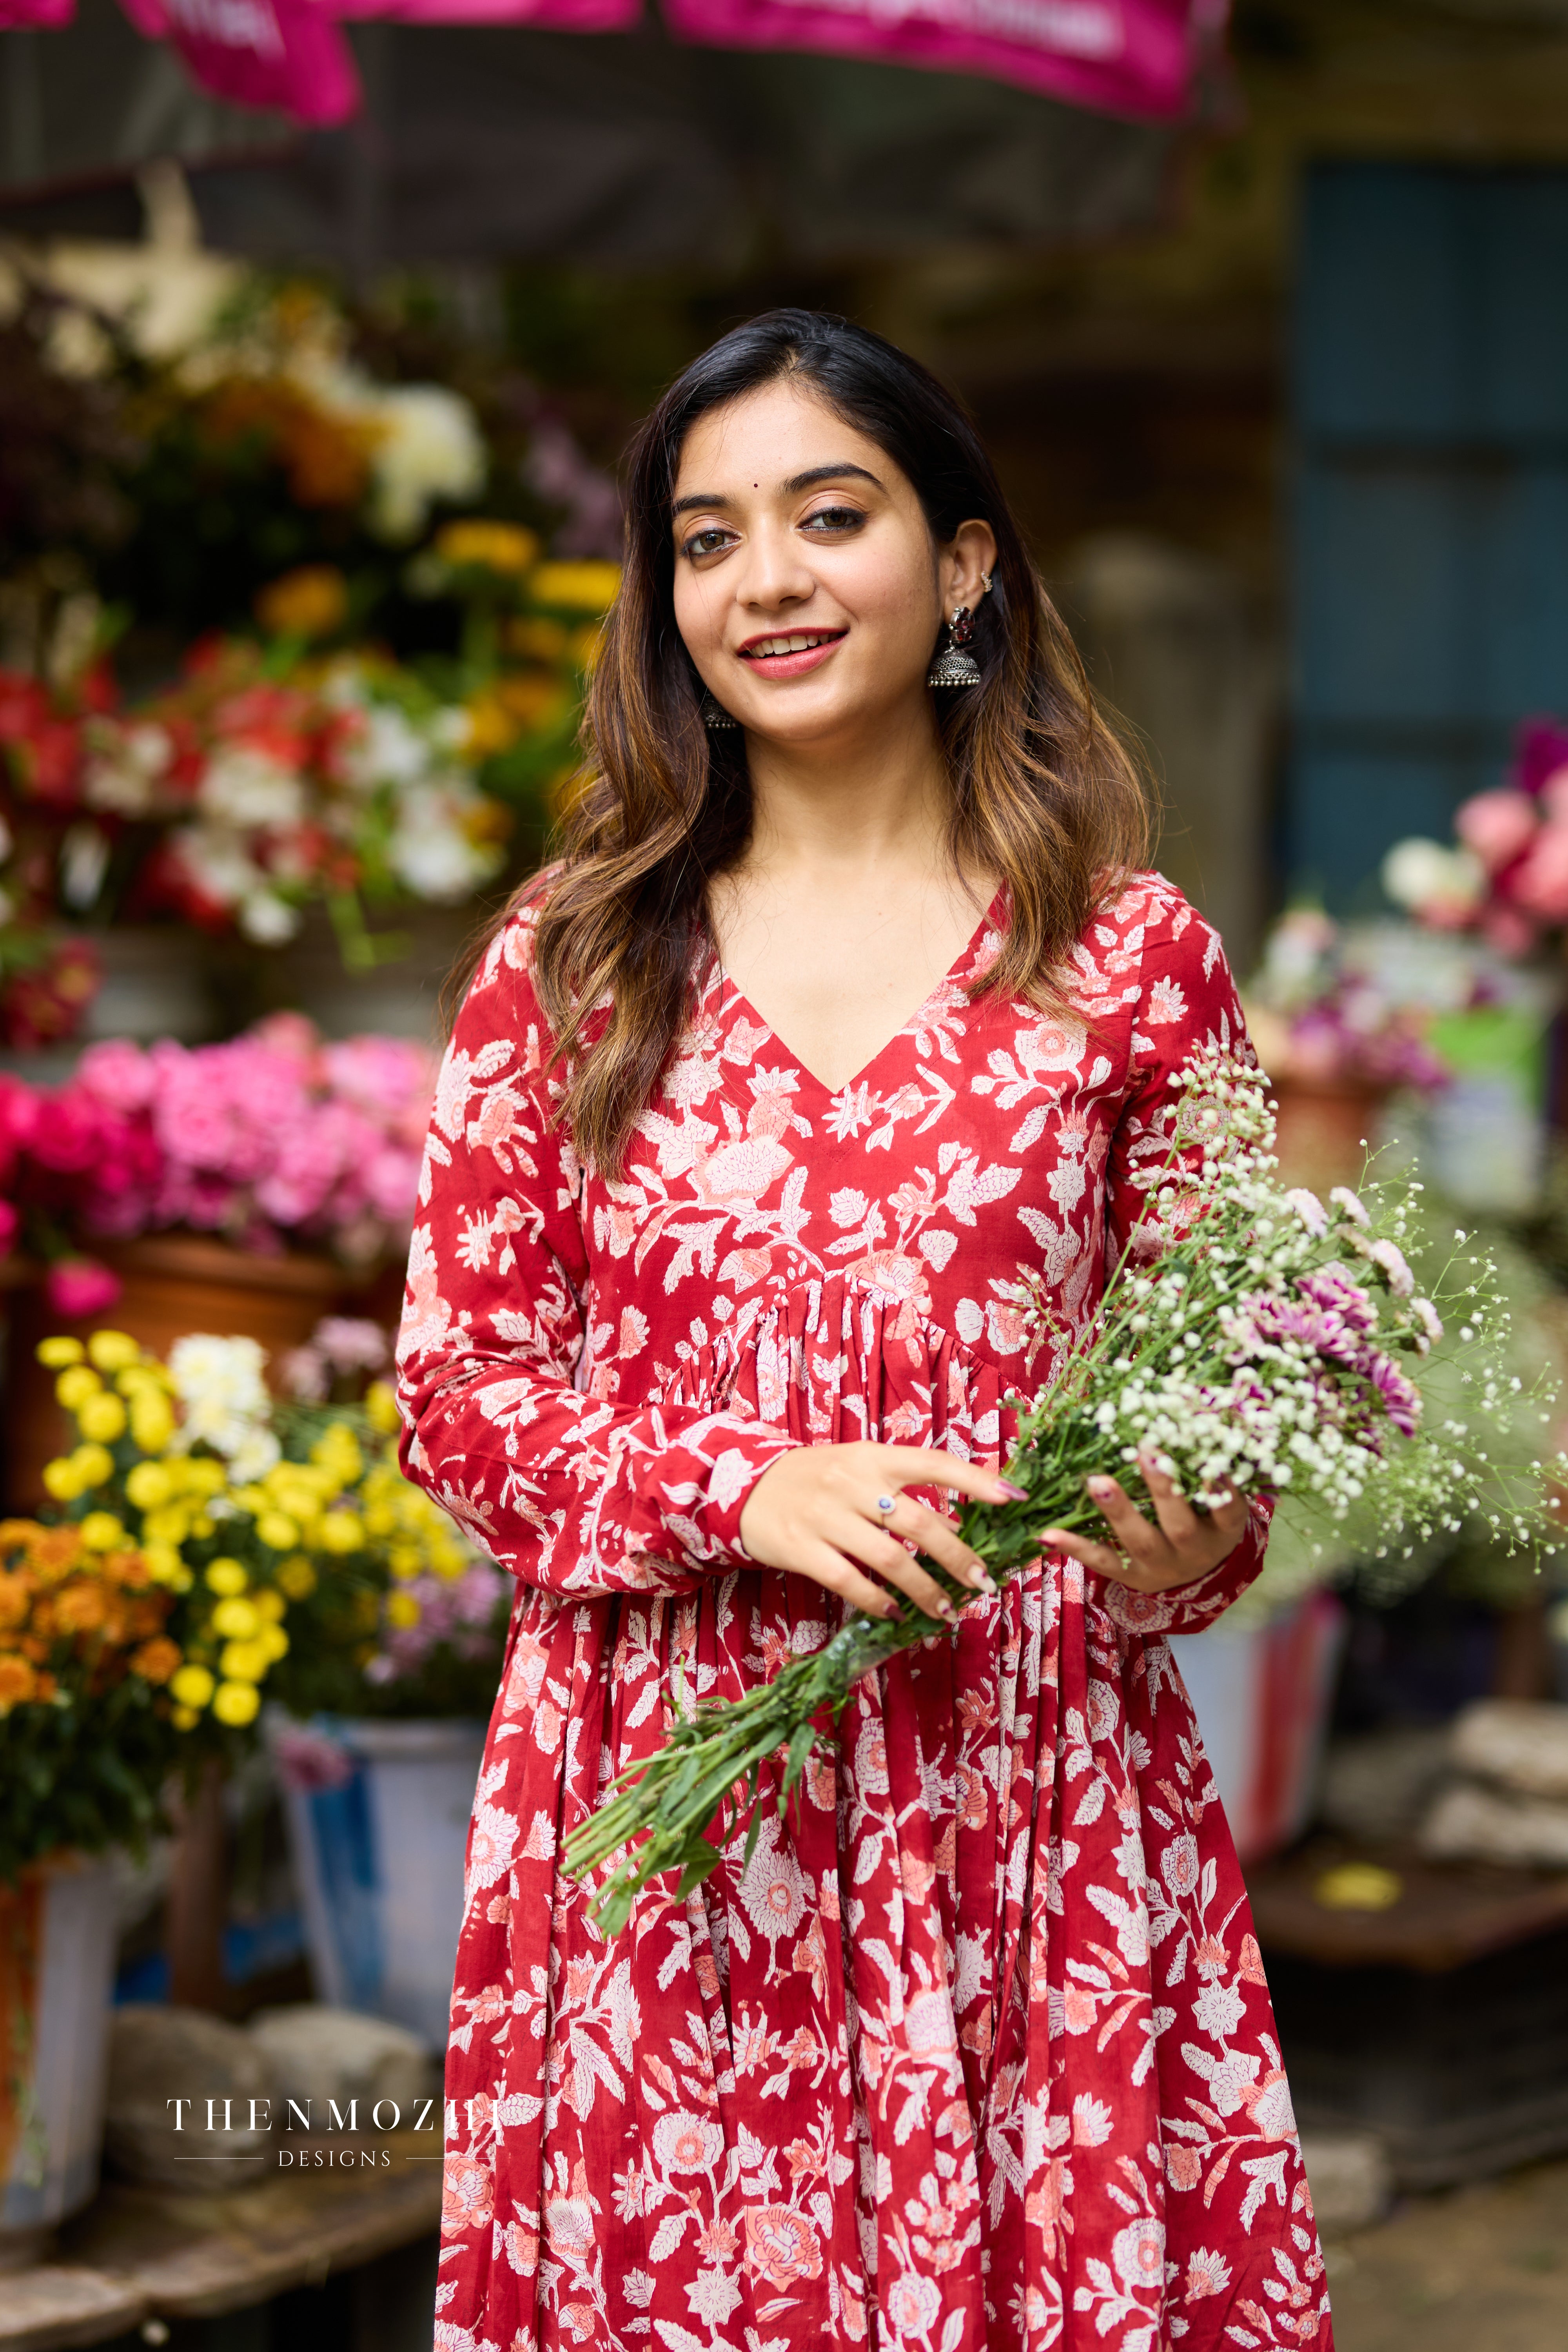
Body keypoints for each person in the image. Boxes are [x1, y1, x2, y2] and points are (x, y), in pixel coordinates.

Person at [397, 310, 1331, 2352]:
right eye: (707, 538)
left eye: (831, 516)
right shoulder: (566, 962)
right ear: (664, 598)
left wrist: (1191, 1537)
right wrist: (744, 1480)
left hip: (1031, 1809)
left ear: (965, 563)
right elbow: (461, 1403)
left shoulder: (1130, 958)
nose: (767, 580)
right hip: (677, 1825)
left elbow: (1233, 1386)